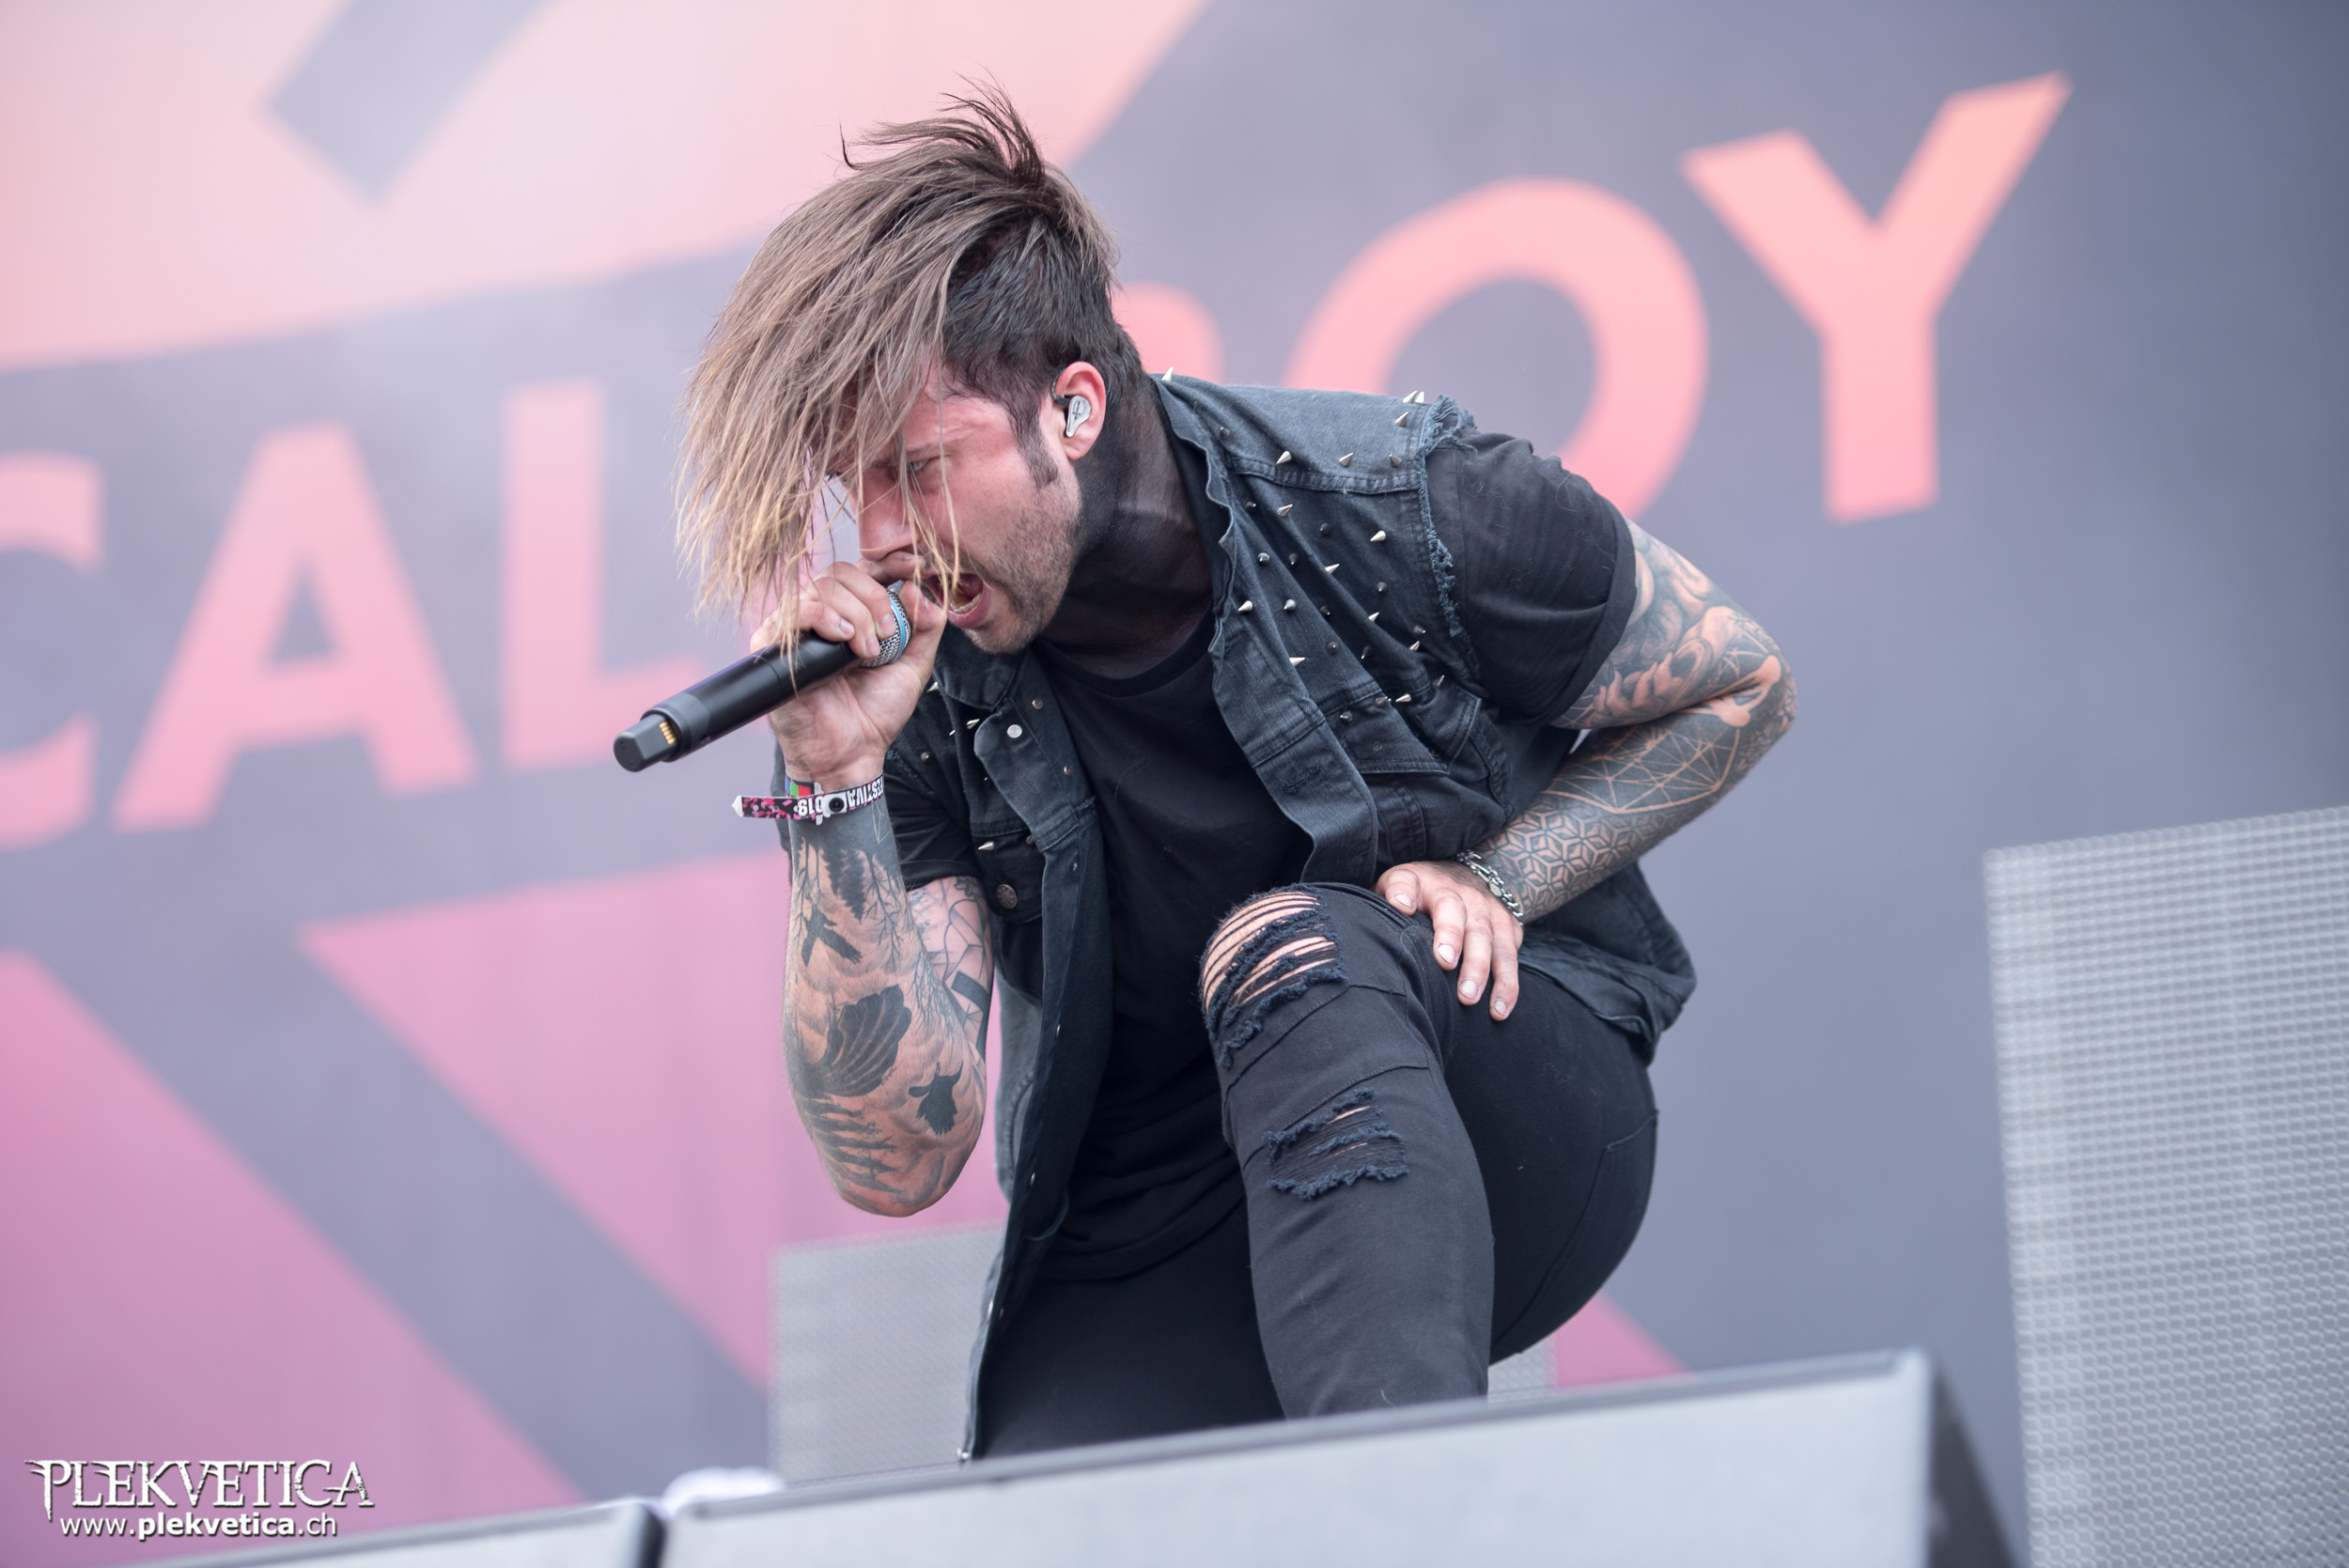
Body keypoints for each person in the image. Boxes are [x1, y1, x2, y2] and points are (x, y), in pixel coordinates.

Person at [677, 91, 1795, 1458]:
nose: (883, 537)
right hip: (1166, 1192)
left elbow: (1740, 680)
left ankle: (1413, 1519)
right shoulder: (908, 683)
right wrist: (834, 781)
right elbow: (895, 1162)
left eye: (918, 472)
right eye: (852, 489)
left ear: (1071, 408)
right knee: (1048, 1510)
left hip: (1497, 1091)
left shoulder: (1400, 501)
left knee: (1291, 947)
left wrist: (1503, 878)